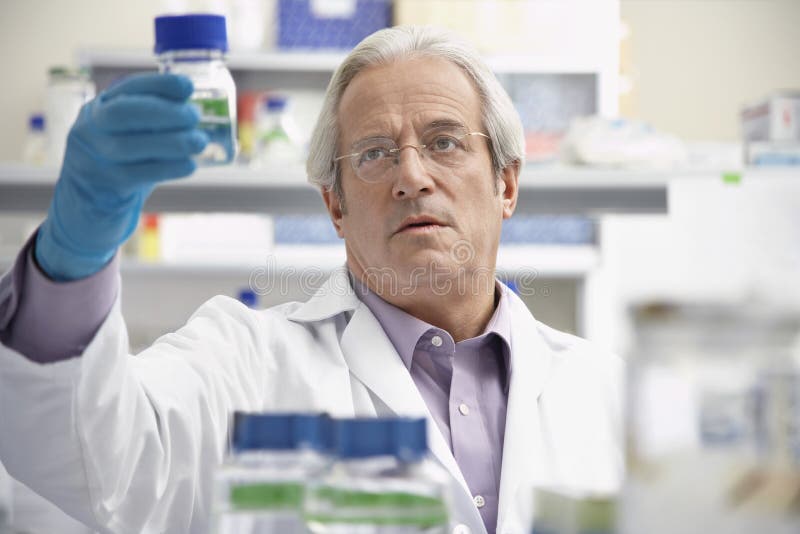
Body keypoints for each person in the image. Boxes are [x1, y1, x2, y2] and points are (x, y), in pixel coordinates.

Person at [0, 26, 623, 534]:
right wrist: (71, 257)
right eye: (374, 153)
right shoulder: (244, 364)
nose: (412, 176)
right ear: (336, 207)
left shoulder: (605, 391)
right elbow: (98, 462)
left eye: (444, 142)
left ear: (505, 185)